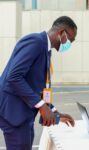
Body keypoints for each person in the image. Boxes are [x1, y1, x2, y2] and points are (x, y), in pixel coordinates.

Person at [0, 16, 77, 150]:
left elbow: (40, 87)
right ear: (62, 33)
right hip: (14, 113)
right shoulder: (35, 42)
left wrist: (54, 112)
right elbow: (13, 77)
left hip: (24, 115)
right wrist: (42, 106)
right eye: (71, 39)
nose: (70, 43)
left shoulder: (46, 50)